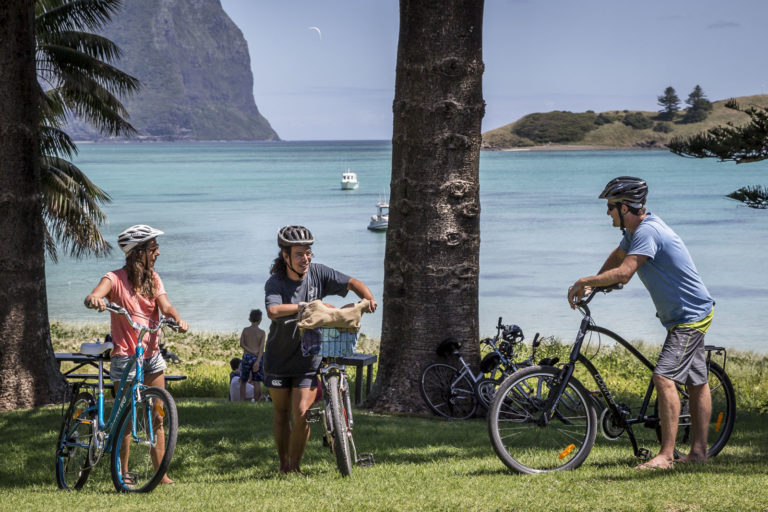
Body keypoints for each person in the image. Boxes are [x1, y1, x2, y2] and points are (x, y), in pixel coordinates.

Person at [567, 177, 714, 470]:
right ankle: (698, 452)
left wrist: (584, 281)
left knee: (664, 377)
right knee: (696, 381)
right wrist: (593, 287)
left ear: (625, 207)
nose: (607, 212)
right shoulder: (636, 232)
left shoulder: (648, 231)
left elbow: (624, 273)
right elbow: (618, 256)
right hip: (683, 313)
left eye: (610, 207)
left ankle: (665, 456)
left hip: (690, 316)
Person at [264, 225, 377, 474]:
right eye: (299, 254)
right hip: (278, 358)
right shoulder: (276, 282)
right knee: (282, 414)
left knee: (302, 413)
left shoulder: (318, 273)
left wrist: (369, 298)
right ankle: (283, 465)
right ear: (285, 256)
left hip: (309, 356)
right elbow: (273, 311)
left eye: (308, 253)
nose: (305, 259)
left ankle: (294, 467)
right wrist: (307, 306)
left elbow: (352, 283)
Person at [84, 224, 189, 484]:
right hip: (125, 357)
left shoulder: (153, 279)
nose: (158, 253)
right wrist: (95, 300)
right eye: (153, 248)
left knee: (158, 414)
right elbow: (94, 295)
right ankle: (123, 474)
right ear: (137, 253)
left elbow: (165, 306)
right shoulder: (114, 278)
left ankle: (161, 474)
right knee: (127, 422)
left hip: (151, 355)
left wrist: (177, 318)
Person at [240, 309, 266, 401]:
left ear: (250, 319)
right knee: (257, 381)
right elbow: (261, 348)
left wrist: (250, 351)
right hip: (257, 358)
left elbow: (242, 344)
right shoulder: (262, 332)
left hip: (246, 357)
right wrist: (258, 361)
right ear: (260, 320)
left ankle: (242, 400)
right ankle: (256, 399)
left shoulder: (245, 330)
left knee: (243, 380)